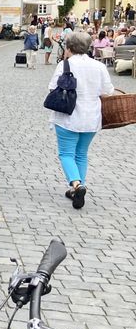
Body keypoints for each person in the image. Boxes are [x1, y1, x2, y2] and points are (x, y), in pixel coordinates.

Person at [48, 31, 114, 210]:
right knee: (81, 153)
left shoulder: (64, 65)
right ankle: (79, 187)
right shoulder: (99, 66)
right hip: (91, 117)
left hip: (68, 117)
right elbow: (107, 91)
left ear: (69, 48)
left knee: (66, 154)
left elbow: (52, 87)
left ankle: (77, 185)